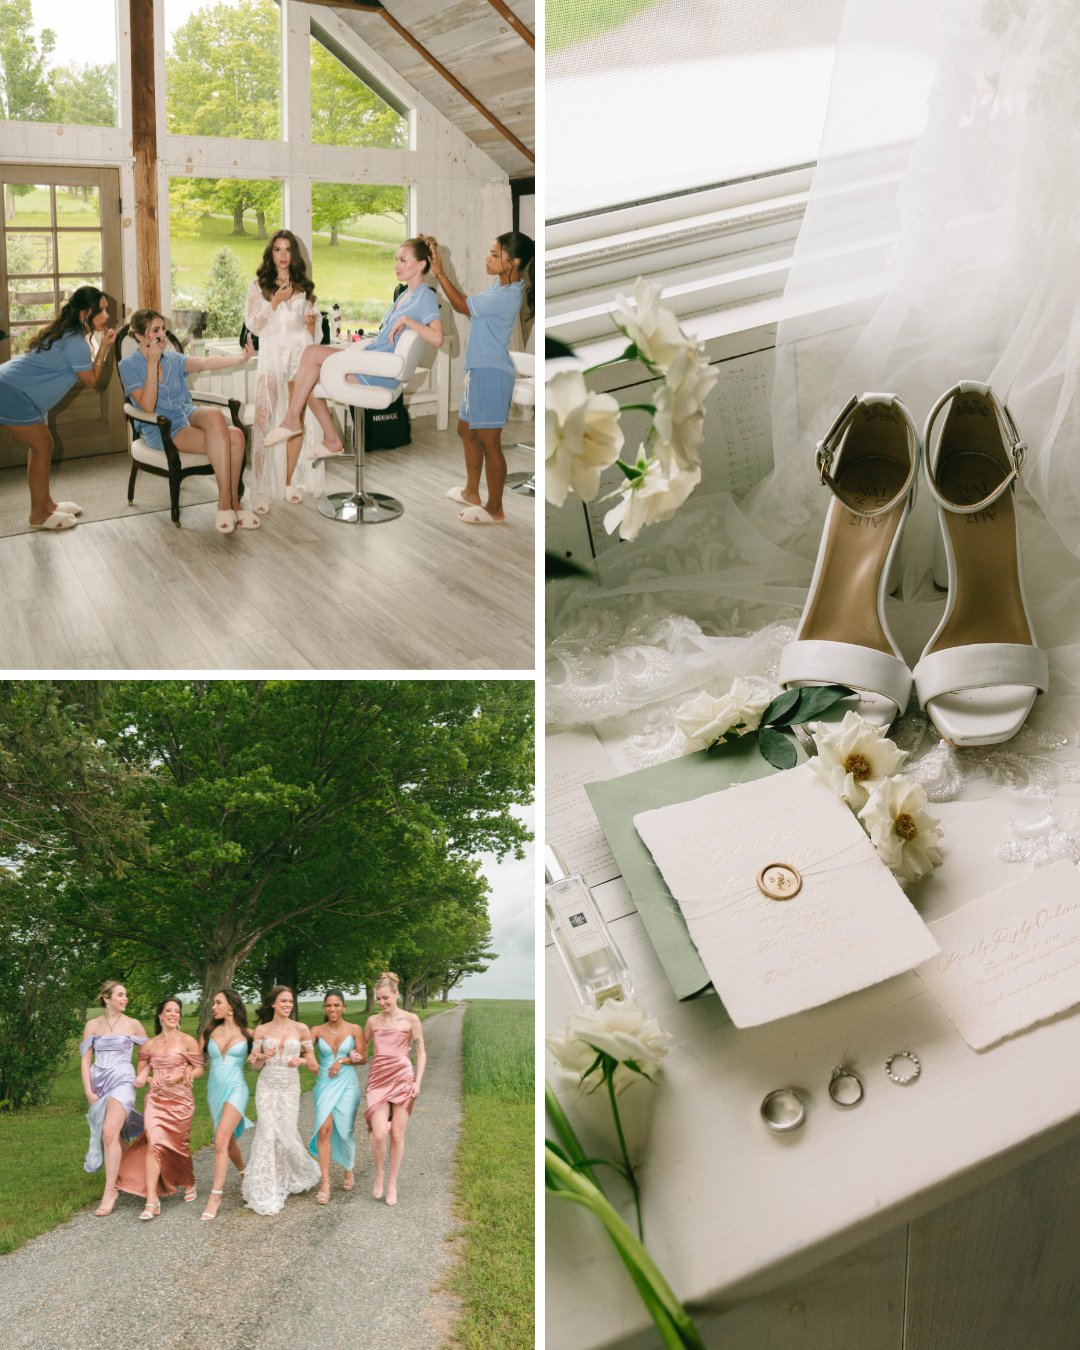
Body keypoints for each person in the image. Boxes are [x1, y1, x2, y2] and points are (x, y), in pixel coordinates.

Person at [261, 235, 444, 453]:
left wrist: (407, 321)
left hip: (378, 370)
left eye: (403, 260)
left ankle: (292, 421)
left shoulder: (425, 296)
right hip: (370, 359)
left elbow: (437, 338)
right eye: (396, 259)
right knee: (306, 378)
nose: (396, 265)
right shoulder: (405, 295)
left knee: (310, 354)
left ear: (421, 265)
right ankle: (331, 439)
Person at [118, 308, 257, 534]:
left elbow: (205, 363)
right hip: (162, 426)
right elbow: (147, 406)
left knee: (219, 419)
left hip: (185, 412)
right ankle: (227, 503)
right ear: (140, 337)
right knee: (234, 438)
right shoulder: (129, 366)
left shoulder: (172, 358)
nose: (162, 335)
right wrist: (152, 364)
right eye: (155, 331)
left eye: (163, 329)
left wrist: (240, 359)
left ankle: (232, 503)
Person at [430, 231, 534, 525]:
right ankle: (472, 492)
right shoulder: (499, 285)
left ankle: (495, 509)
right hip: (478, 370)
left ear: (512, 262)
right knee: (466, 431)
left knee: (490, 442)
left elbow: (463, 306)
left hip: (491, 374)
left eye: (494, 254)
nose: (487, 259)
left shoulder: (507, 295)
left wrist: (440, 273)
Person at [0, 285, 117, 529]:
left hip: (18, 392)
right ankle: (38, 515)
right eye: (102, 310)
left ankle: (47, 506)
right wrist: (105, 347)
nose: (107, 316)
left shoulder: (70, 332)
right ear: (85, 312)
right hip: (11, 393)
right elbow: (93, 380)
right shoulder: (74, 342)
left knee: (42, 446)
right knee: (43, 446)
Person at [243, 230, 327, 511]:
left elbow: (314, 337)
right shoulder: (258, 287)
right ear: (271, 254)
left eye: (287, 250)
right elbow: (254, 325)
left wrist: (312, 324)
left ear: (293, 255)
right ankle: (260, 489)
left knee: (296, 419)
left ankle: (290, 481)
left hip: (299, 359)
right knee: (263, 420)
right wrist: (275, 301)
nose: (282, 255)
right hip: (272, 357)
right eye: (277, 249)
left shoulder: (304, 287)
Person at [116, 996, 202, 1219]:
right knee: (154, 1144)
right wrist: (149, 1079)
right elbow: (141, 1073)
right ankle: (152, 1200)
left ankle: (188, 1180)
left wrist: (185, 1074)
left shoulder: (187, 1041)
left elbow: (198, 1069)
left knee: (178, 1146)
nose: (174, 1014)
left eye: (177, 1011)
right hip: (156, 1100)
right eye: (169, 1011)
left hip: (181, 1100)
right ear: (160, 1015)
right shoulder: (149, 1044)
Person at [241, 985, 322, 1215]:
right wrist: (260, 1057)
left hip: (289, 1086)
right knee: (266, 1133)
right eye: (284, 1001)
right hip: (267, 1084)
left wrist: (303, 1062)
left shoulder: (301, 1029)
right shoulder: (262, 1030)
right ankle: (266, 1190)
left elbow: (313, 1063)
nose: (288, 1005)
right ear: (273, 1003)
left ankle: (299, 1173)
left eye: (291, 1002)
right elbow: (255, 1065)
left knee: (285, 1134)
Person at [79, 979, 149, 1217]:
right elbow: (86, 1060)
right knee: (115, 1139)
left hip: (123, 1081)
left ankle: (110, 1193)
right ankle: (141, 1174)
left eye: (125, 994)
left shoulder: (133, 1024)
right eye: (120, 994)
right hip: (99, 1084)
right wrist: (88, 1091)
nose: (125, 998)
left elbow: (149, 1053)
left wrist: (142, 1074)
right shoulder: (93, 1025)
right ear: (107, 998)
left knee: (109, 1133)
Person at [361, 971, 425, 1207]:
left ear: (396, 994)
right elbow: (360, 1046)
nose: (382, 1002)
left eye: (386, 997)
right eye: (379, 999)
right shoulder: (373, 1022)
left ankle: (392, 1183)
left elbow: (421, 1052)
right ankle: (379, 1174)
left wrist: (417, 1082)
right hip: (378, 1080)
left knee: (397, 1134)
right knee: (379, 1134)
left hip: (403, 1079)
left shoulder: (411, 1020)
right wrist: (347, 1055)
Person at [200, 988, 255, 1221]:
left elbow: (258, 1064)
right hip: (214, 1090)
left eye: (218, 1002)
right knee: (228, 1139)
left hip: (237, 1089)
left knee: (220, 1140)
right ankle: (245, 1173)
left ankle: (216, 1195)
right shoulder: (208, 1031)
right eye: (214, 1003)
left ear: (230, 1006)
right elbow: (197, 1064)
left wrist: (259, 1058)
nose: (213, 1007)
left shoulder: (249, 1034)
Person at [308, 989, 366, 1204]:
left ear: (344, 1007)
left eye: (336, 1005)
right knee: (324, 1130)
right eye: (328, 1006)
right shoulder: (317, 1030)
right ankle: (325, 1182)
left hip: (347, 1083)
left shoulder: (354, 1029)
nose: (332, 1009)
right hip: (324, 1083)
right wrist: (311, 1058)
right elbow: (304, 1048)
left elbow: (363, 1058)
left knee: (345, 1130)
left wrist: (342, 1060)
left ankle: (349, 1168)